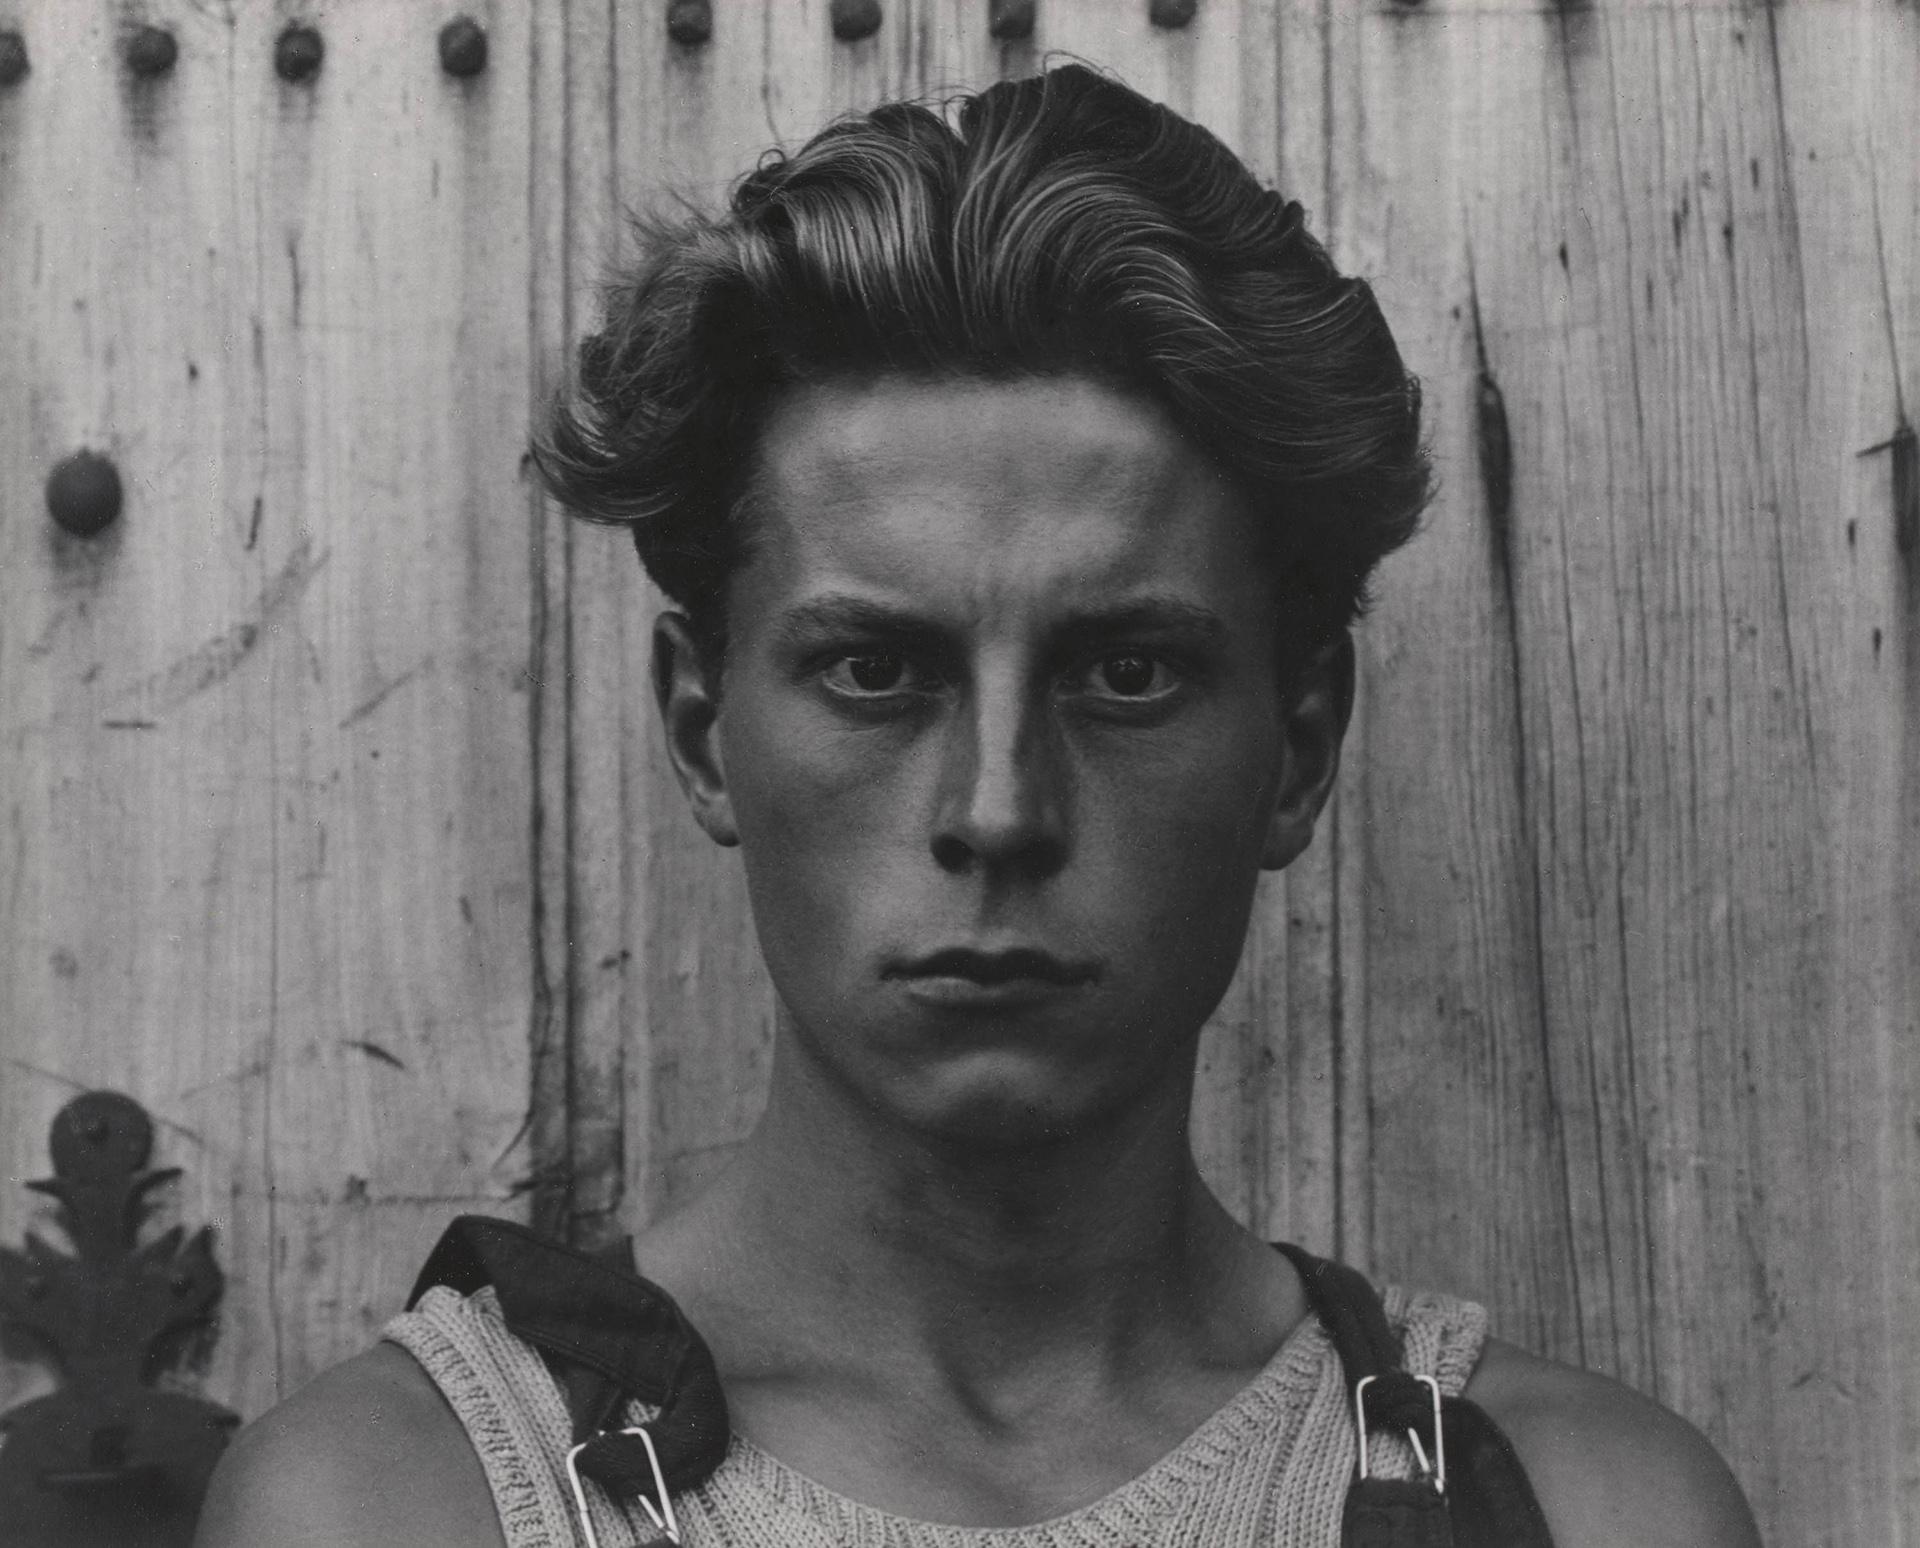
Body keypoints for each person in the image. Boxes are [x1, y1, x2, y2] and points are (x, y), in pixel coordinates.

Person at [196, 65, 1761, 1548]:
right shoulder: (410, 1503)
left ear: (1296, 748)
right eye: (876, 670)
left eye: (1129, 673)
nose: (999, 809)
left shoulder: (1585, 1509)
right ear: (699, 729)